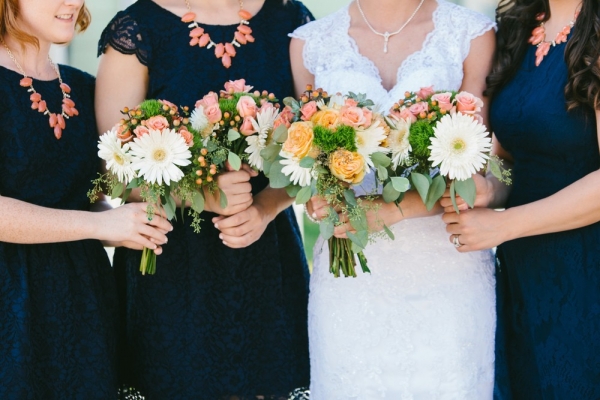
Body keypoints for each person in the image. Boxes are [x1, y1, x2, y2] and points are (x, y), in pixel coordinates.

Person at [95, 0, 313, 398]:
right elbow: (116, 171)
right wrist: (199, 194)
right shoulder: (136, 30)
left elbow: (317, 150)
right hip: (170, 268)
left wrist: (266, 208)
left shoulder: (291, 20)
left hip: (266, 257)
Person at [289, 0, 497, 398]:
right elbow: (310, 161)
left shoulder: (470, 35)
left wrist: (393, 210)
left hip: (448, 276)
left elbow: (475, 170)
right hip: (347, 280)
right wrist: (321, 197)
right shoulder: (310, 44)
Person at [0, 0, 172, 398]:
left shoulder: (84, 86)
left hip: (83, 302)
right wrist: (99, 226)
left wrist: (128, 223)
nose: (71, 1)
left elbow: (86, 198)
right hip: (11, 304)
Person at [441, 0, 600, 397]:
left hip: (588, 269)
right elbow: (510, 158)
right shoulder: (517, 25)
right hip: (525, 268)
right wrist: (488, 189)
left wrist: (505, 224)